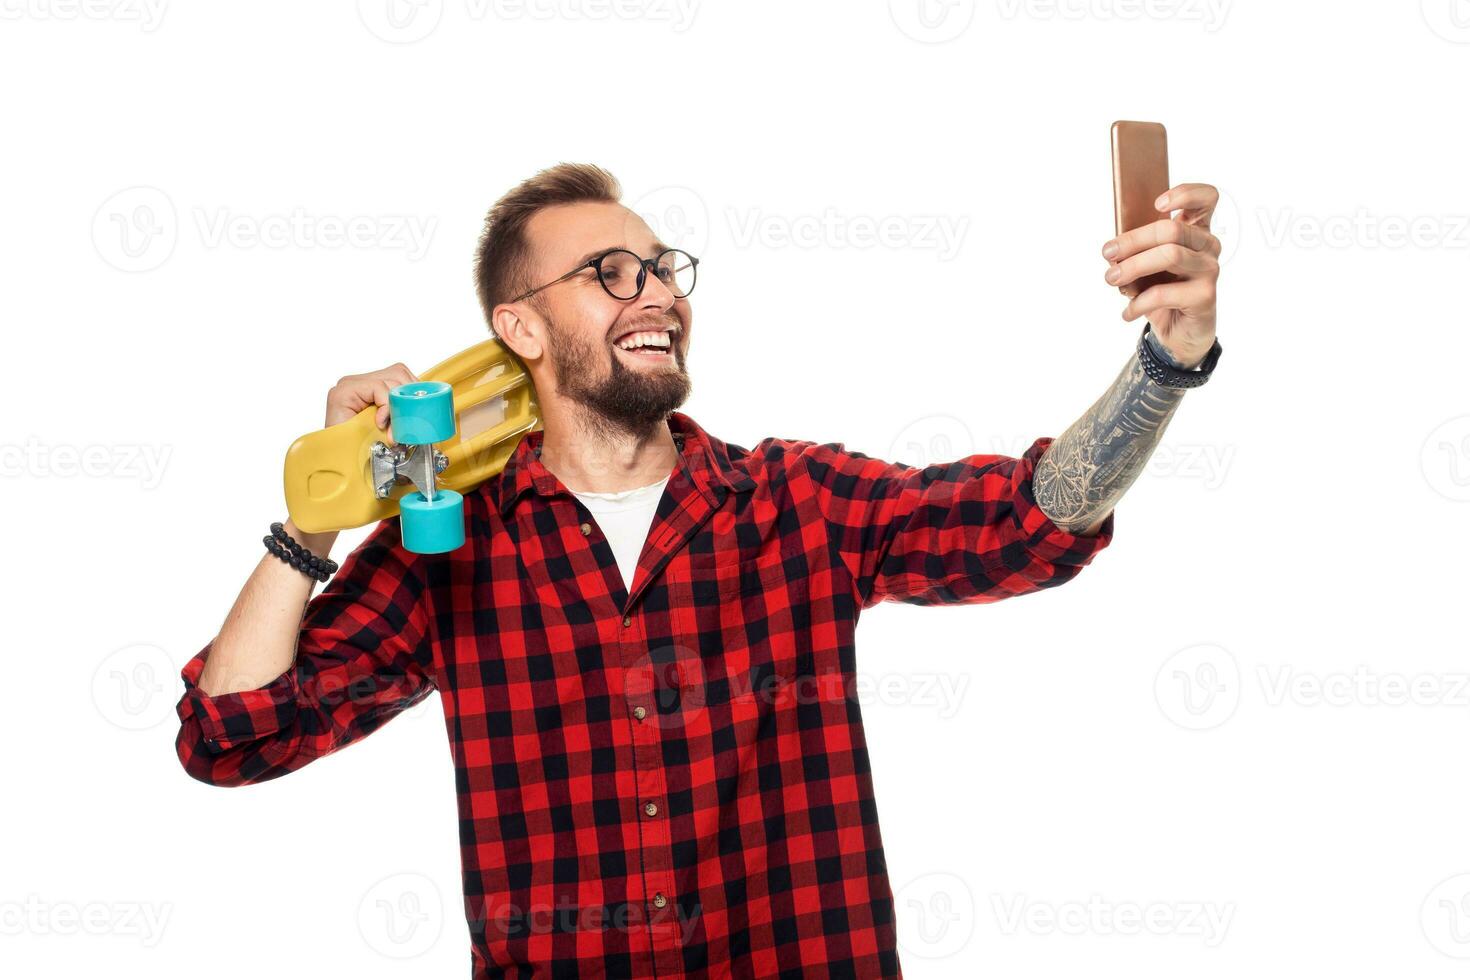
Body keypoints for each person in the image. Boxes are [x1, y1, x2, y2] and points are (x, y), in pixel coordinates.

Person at [174, 162, 1222, 978]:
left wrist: (1166, 361)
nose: (657, 292)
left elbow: (1030, 518)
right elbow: (233, 735)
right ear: (517, 329)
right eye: (611, 273)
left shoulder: (792, 501)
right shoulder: (448, 544)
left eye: (664, 266)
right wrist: (319, 518)